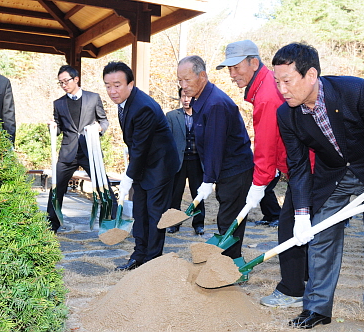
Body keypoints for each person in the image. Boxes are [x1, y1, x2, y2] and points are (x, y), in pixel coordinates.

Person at [273, 42, 364, 331]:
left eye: (287, 81)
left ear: (311, 75)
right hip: (333, 175)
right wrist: (302, 213)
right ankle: (317, 308)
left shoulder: (355, 91)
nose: (282, 89)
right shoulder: (287, 114)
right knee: (321, 238)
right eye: (277, 81)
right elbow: (299, 166)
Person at [216, 39, 307, 308]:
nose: (232, 74)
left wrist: (259, 184)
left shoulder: (267, 94)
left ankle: (292, 290)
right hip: (297, 167)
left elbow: (265, 146)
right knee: (301, 228)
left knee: (290, 229)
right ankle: (309, 281)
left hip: (304, 168)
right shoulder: (264, 88)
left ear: (254, 62)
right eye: (228, 69)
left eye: (236, 67)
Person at [103, 61, 179, 271]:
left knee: (155, 214)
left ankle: (152, 263)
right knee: (140, 211)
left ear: (131, 84)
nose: (112, 91)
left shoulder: (143, 107)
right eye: (108, 86)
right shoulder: (126, 103)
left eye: (117, 85)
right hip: (144, 164)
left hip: (160, 166)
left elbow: (140, 148)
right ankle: (139, 255)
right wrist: (132, 174)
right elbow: (136, 145)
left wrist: (128, 177)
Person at [177, 55, 254, 259]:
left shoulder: (215, 104)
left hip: (236, 169)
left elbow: (214, 145)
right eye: (180, 81)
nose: (183, 86)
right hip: (225, 169)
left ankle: (229, 265)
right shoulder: (201, 99)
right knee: (227, 217)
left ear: (202, 76)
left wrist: (208, 179)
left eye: (187, 80)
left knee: (230, 220)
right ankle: (227, 262)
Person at [47, 65, 116, 233]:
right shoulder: (59, 103)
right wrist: (52, 127)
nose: (64, 85)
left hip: (89, 150)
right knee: (56, 188)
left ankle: (113, 223)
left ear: (76, 79)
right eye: (60, 83)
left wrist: (99, 128)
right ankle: (51, 225)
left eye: (66, 81)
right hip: (67, 152)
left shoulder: (93, 98)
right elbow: (58, 130)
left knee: (103, 185)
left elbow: (104, 121)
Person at [166, 88, 205, 235]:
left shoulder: (202, 116)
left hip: (196, 161)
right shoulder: (171, 116)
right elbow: (167, 140)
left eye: (189, 96)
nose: (186, 99)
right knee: (175, 194)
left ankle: (198, 224)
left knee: (198, 194)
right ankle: (173, 224)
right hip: (178, 162)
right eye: (183, 96)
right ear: (180, 98)